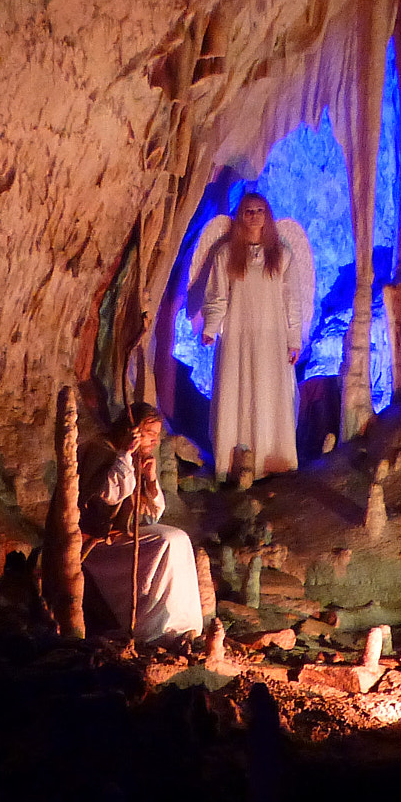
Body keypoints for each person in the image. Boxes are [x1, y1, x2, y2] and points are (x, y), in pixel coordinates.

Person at [79, 403, 204, 640]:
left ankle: (180, 623)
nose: (156, 441)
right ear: (132, 431)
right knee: (167, 541)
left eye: (158, 435)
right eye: (151, 434)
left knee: (179, 538)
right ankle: (150, 626)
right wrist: (125, 455)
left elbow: (152, 515)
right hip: (99, 543)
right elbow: (109, 496)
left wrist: (150, 479)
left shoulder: (138, 459)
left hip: (125, 535)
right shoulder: (101, 451)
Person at [202, 193, 301, 481]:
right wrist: (211, 327)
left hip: (271, 336)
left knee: (269, 394)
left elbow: (291, 300)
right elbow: (218, 294)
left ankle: (273, 459)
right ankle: (234, 463)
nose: (254, 216)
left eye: (259, 210)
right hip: (237, 336)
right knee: (237, 390)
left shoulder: (282, 255)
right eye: (248, 211)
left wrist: (294, 338)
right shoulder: (226, 254)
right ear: (240, 216)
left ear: (267, 215)